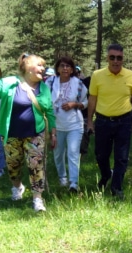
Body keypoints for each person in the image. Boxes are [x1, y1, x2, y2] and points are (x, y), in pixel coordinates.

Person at [0, 53, 57, 212]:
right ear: (28, 67)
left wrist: (53, 133)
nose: (43, 69)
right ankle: (18, 187)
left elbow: (49, 110)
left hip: (35, 133)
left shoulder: (43, 88)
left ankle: (37, 199)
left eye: (44, 66)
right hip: (12, 134)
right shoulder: (10, 82)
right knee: (13, 166)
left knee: (36, 166)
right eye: (39, 65)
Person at [87, 43, 132, 199]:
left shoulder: (131, 75)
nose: (116, 61)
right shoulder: (97, 75)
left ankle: (116, 187)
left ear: (123, 59)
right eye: (112, 57)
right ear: (107, 58)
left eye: (119, 58)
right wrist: (90, 121)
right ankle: (106, 175)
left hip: (124, 121)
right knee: (100, 155)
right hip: (103, 121)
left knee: (122, 157)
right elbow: (92, 98)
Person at [45, 57, 88, 193]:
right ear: (57, 69)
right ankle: (62, 177)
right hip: (55, 125)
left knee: (73, 153)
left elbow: (86, 102)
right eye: (62, 66)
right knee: (58, 154)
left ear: (72, 70)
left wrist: (74, 104)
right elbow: (44, 99)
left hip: (74, 124)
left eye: (68, 66)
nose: (65, 68)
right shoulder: (50, 82)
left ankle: (73, 183)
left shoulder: (79, 84)